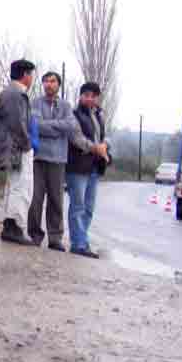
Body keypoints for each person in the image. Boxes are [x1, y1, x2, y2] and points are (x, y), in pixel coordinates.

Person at [27, 71, 77, 251]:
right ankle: (34, 234)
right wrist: (58, 127)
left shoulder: (66, 105)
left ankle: (55, 237)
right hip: (38, 157)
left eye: (53, 81)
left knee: (56, 200)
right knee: (35, 198)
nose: (49, 84)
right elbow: (36, 125)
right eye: (46, 81)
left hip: (58, 159)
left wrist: (49, 127)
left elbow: (71, 126)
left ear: (58, 85)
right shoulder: (35, 103)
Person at [0, 59, 37, 245]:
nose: (32, 78)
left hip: (13, 148)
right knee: (20, 187)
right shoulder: (15, 94)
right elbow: (16, 124)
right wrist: (27, 144)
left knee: (16, 187)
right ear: (26, 75)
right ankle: (15, 227)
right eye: (31, 74)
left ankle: (11, 225)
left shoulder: (12, 92)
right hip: (15, 149)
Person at [67, 82, 110, 259]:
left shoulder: (99, 115)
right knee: (77, 206)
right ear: (81, 96)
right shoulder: (74, 115)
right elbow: (76, 138)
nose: (89, 99)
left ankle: (82, 240)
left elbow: (104, 136)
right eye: (86, 95)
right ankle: (78, 244)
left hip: (94, 167)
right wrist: (96, 148)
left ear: (97, 97)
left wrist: (105, 145)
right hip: (77, 166)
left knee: (89, 208)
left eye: (93, 96)